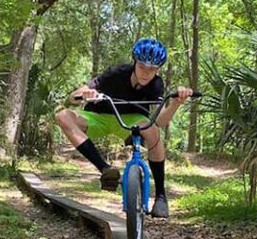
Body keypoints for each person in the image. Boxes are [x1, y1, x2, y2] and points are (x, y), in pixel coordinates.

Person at [54, 37, 193, 218]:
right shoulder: (116, 73)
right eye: (142, 66)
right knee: (62, 116)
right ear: (134, 63)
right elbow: (73, 97)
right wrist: (85, 94)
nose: (146, 73)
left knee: (153, 131)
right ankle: (105, 169)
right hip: (99, 115)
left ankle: (160, 196)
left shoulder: (156, 84)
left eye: (152, 69)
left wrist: (176, 103)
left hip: (132, 120)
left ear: (158, 70)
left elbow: (160, 121)